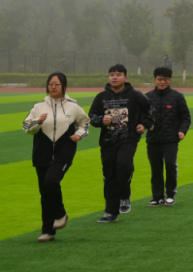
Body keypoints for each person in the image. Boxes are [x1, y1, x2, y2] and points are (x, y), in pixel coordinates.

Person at [22, 72, 89, 242]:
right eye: (50, 84)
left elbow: (84, 123)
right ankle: (48, 231)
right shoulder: (39, 107)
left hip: (63, 153)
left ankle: (60, 214)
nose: (53, 87)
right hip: (41, 153)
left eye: (57, 84)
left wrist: (79, 134)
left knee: (51, 181)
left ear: (64, 86)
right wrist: (38, 121)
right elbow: (26, 127)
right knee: (45, 194)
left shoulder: (73, 106)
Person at [88, 64, 153, 223]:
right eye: (112, 74)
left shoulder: (136, 95)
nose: (115, 77)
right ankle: (111, 212)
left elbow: (150, 110)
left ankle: (125, 195)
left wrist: (144, 124)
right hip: (108, 141)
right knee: (109, 175)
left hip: (128, 138)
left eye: (118, 74)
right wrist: (101, 120)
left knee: (123, 164)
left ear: (125, 77)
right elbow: (91, 117)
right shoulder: (101, 97)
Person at [144, 67, 191, 207]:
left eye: (165, 79)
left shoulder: (177, 97)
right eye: (159, 79)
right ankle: (157, 197)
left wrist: (182, 130)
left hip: (170, 139)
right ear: (154, 80)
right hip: (153, 140)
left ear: (169, 80)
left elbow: (186, 117)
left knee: (170, 165)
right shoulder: (147, 97)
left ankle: (170, 194)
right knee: (156, 169)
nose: (162, 82)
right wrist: (147, 124)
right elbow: (141, 116)